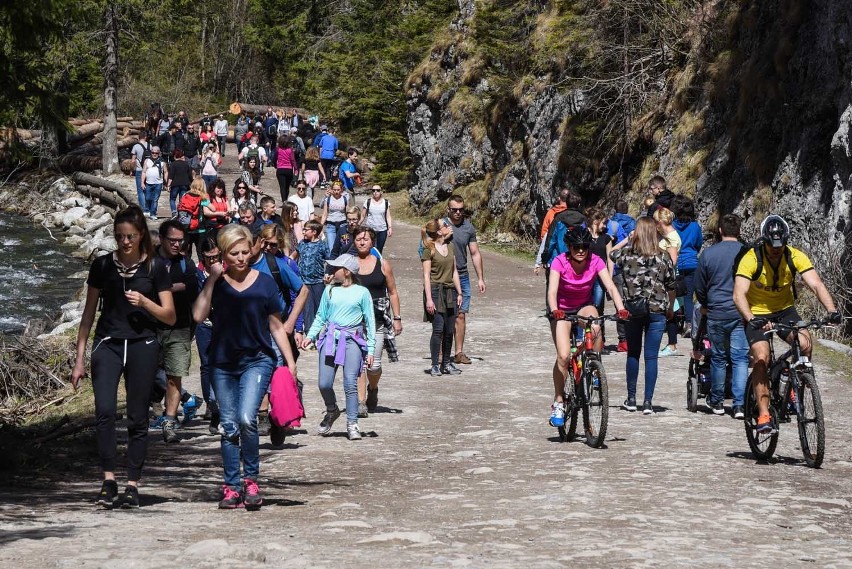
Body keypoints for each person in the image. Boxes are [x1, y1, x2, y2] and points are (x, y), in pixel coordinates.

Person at [71, 205, 176, 509]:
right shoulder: (103, 266)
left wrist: (145, 302)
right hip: (108, 343)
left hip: (143, 345)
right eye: (119, 236)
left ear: (141, 235)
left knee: (137, 416)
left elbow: (169, 316)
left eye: (130, 236)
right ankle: (108, 481)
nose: (125, 241)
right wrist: (79, 359)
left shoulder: (155, 268)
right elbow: (88, 315)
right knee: (104, 411)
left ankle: (132, 483)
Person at [192, 224, 297, 510]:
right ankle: (230, 486)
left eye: (244, 252)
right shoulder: (217, 281)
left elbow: (275, 325)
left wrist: (289, 362)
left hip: (257, 359)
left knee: (248, 418)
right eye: (233, 253)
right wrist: (212, 281)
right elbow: (199, 316)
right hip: (223, 362)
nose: (240, 258)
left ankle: (250, 481)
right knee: (228, 426)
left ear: (251, 249)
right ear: (223, 254)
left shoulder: (264, 283)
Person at [733, 214, 841, 433]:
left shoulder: (795, 255)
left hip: (784, 310)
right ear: (764, 240)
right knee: (761, 357)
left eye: (780, 245)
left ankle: (792, 380)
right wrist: (751, 319)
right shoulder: (751, 258)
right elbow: (738, 295)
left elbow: (817, 285)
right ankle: (764, 414)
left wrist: (832, 311)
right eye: (772, 245)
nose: (776, 249)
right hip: (756, 313)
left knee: (805, 343)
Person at [546, 226, 626, 428]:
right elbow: (552, 290)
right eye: (576, 247)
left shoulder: (595, 261)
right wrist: (555, 309)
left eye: (585, 247)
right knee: (564, 356)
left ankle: (593, 365)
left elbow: (609, 285)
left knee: (596, 323)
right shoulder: (559, 262)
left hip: (584, 306)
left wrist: (621, 308)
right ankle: (558, 401)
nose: (581, 251)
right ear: (569, 247)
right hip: (562, 310)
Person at [299, 254, 376, 441]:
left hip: (352, 341)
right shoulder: (330, 291)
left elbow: (370, 322)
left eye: (336, 268)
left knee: (350, 383)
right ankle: (332, 410)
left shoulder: (362, 293)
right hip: (330, 340)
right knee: (324, 383)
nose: (332, 271)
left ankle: (352, 423)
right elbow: (321, 316)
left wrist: (371, 349)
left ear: (347, 272)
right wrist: (310, 336)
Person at [611, 217, 677, 415]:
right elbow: (671, 285)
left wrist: (627, 240)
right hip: (657, 310)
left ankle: (631, 398)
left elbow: (610, 253)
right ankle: (648, 401)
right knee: (651, 357)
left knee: (633, 353)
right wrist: (670, 307)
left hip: (632, 309)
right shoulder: (664, 257)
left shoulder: (626, 254)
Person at [693, 214, 749, 418]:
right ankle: (739, 404)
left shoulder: (708, 254)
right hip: (740, 312)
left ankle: (716, 401)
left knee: (718, 357)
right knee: (740, 358)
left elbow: (699, 285)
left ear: (720, 231)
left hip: (716, 311)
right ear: (739, 231)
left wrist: (705, 305)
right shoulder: (747, 252)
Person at [152, 220, 199, 443]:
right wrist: (172, 288)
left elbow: (191, 293)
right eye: (173, 240)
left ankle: (169, 422)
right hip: (150, 327)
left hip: (179, 328)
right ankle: (146, 414)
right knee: (145, 372)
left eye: (180, 241)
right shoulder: (147, 261)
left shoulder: (186, 265)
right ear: (161, 239)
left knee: (174, 376)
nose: (177, 244)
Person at [353, 226, 402, 416]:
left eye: (365, 239)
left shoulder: (383, 264)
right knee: (358, 364)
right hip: (355, 322)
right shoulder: (349, 265)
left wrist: (397, 318)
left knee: (374, 366)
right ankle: (361, 401)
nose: (362, 242)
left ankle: (373, 388)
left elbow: (393, 292)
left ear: (373, 241)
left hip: (378, 321)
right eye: (358, 239)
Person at [445, 195, 486, 365]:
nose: (458, 213)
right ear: (448, 210)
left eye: (461, 210)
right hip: (444, 276)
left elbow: (475, 253)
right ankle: (442, 352)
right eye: (454, 210)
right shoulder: (441, 225)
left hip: (462, 276)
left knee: (461, 315)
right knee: (445, 315)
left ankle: (459, 352)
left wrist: (481, 278)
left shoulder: (468, 228)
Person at [421, 218, 463, 376]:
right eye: (445, 225)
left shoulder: (450, 247)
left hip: (450, 291)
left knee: (449, 329)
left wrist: (459, 292)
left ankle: (446, 363)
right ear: (439, 231)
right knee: (438, 329)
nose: (448, 226)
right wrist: (429, 299)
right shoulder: (428, 249)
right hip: (435, 291)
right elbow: (426, 276)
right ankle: (434, 365)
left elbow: (454, 272)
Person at [194, 236, 220, 434]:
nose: (213, 261)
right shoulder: (197, 272)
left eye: (216, 256)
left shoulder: (226, 269)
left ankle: (219, 403)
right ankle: (211, 406)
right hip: (204, 324)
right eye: (209, 257)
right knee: (206, 364)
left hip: (224, 323)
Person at [654, 206, 681, 356]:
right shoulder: (668, 236)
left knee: (671, 310)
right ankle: (671, 343)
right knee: (670, 310)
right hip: (664, 277)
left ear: (660, 222)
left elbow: (673, 261)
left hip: (666, 279)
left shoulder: (671, 239)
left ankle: (672, 345)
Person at [297, 219, 330, 334]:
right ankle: (309, 334)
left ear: (314, 232)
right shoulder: (302, 243)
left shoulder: (322, 245)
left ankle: (321, 333)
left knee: (319, 308)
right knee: (307, 309)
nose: (303, 232)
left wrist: (328, 274)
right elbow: (294, 256)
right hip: (304, 282)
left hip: (318, 282)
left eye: (306, 230)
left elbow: (329, 260)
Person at [361, 185, 393, 253]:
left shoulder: (386, 202)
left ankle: (378, 262)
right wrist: (357, 225)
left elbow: (388, 216)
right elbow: (363, 216)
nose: (375, 192)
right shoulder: (368, 202)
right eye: (373, 190)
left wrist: (390, 227)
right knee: (371, 248)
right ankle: (370, 262)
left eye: (378, 190)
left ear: (381, 192)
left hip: (382, 230)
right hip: (370, 230)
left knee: (379, 250)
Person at [140, 146, 168, 220]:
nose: (154, 154)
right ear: (151, 152)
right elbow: (143, 172)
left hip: (159, 183)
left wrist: (166, 183)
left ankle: (153, 213)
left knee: (155, 199)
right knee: (148, 198)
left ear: (159, 153)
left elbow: (165, 172)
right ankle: (148, 210)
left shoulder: (162, 161)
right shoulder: (147, 161)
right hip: (148, 183)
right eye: (153, 153)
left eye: (156, 153)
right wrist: (142, 182)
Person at [321, 181, 349, 249]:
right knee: (331, 247)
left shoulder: (345, 198)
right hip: (331, 225)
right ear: (332, 189)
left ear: (341, 190)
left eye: (338, 190)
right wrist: (320, 227)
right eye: (334, 190)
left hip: (343, 225)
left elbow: (347, 212)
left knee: (345, 246)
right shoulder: (328, 199)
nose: (336, 192)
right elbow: (324, 214)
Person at [167, 149, 193, 218]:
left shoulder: (173, 164)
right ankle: (181, 213)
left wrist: (168, 185)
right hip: (185, 184)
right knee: (182, 200)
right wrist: (191, 183)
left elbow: (171, 176)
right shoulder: (186, 164)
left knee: (172, 199)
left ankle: (174, 212)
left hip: (175, 184)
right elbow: (190, 175)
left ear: (175, 156)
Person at [274, 134, 298, 202]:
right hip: (289, 169)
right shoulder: (290, 150)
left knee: (282, 187)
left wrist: (275, 165)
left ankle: (284, 200)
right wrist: (296, 169)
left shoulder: (278, 149)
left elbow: (274, 158)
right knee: (287, 187)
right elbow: (293, 160)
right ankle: (286, 199)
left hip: (280, 169)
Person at [131, 132, 151, 208]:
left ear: (139, 137)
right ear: (145, 137)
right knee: (147, 189)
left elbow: (133, 160)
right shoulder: (150, 145)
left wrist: (132, 170)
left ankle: (143, 208)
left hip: (139, 170)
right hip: (149, 170)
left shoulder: (135, 146)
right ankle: (148, 207)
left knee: (140, 190)